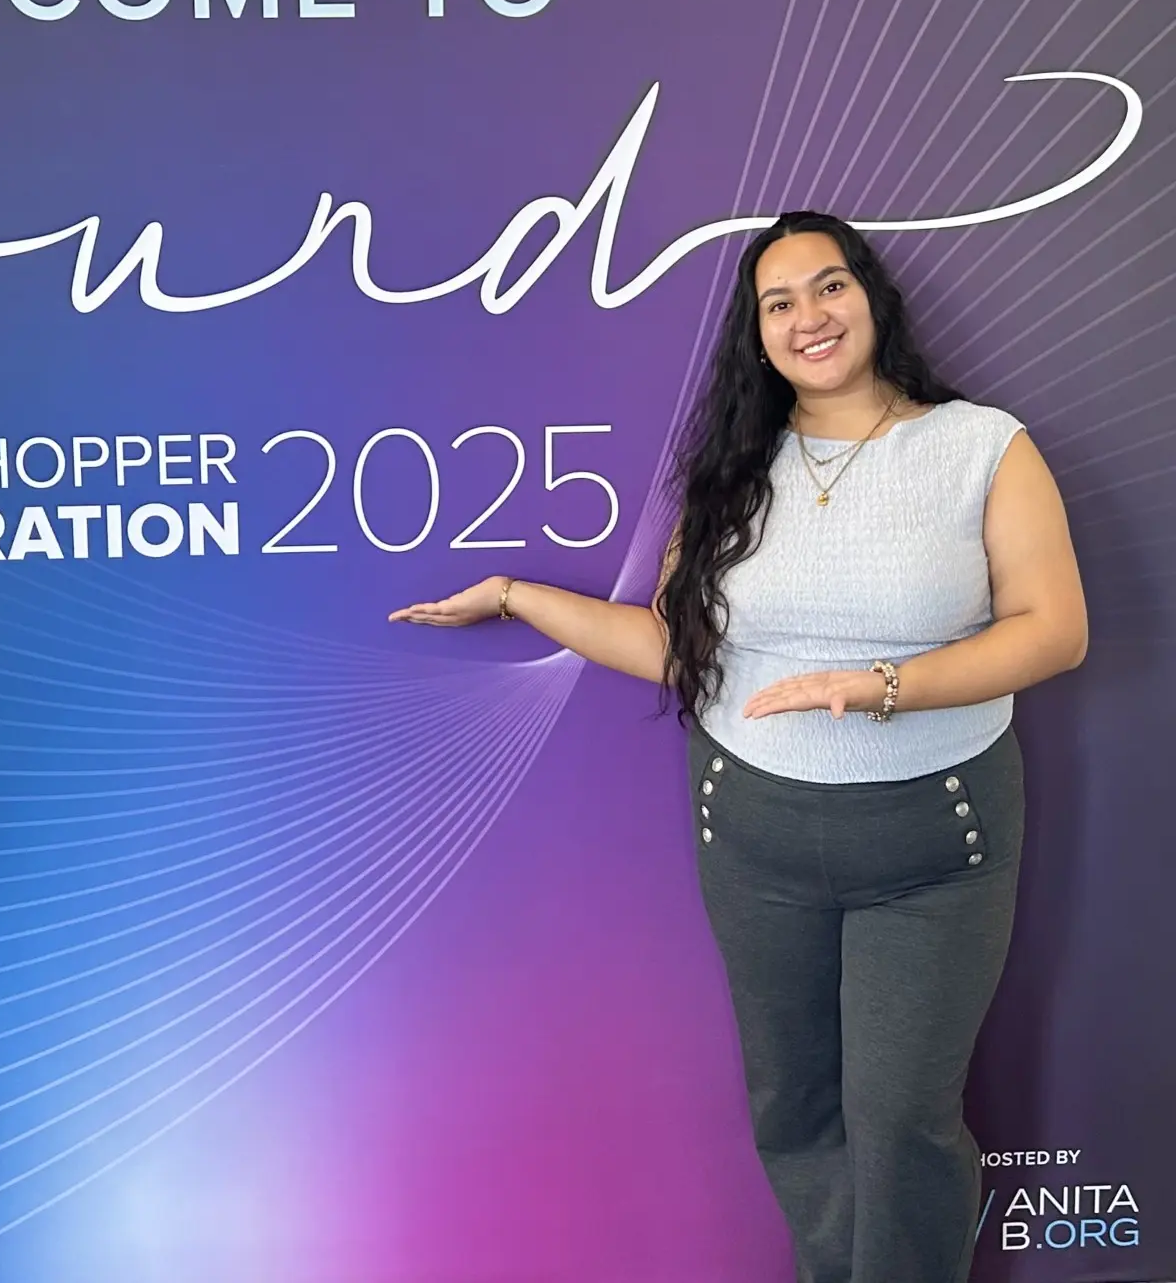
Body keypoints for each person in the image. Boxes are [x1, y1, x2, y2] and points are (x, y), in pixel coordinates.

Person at [389, 211, 1087, 1283]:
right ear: (757, 335)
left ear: (872, 298)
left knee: (902, 1117)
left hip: (933, 841)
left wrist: (887, 685)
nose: (810, 315)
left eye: (830, 286)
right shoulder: (733, 471)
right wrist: (520, 594)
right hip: (753, 841)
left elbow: (1054, 626)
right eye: (780, 302)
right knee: (796, 1107)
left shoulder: (979, 444)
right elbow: (677, 647)